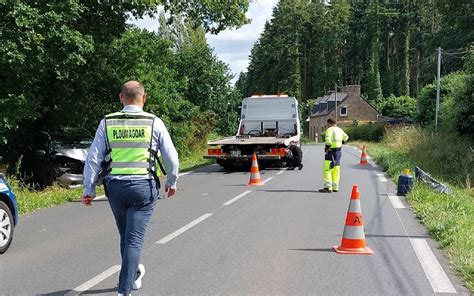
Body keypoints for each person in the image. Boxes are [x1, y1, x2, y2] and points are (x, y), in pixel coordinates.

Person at [82, 80, 179, 296]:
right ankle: (123, 291)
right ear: (144, 98)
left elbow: (93, 158)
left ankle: (134, 275)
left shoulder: (107, 122)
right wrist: (172, 182)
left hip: (115, 188)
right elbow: (172, 157)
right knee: (133, 240)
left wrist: (88, 189)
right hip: (143, 187)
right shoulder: (154, 122)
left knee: (126, 236)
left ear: (121, 98)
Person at [318, 118, 348, 193]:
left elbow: (328, 140)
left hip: (331, 151)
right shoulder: (340, 130)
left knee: (327, 169)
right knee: (336, 169)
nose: (327, 126)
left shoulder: (330, 130)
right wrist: (342, 141)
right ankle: (335, 187)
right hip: (338, 152)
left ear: (329, 123)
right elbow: (346, 137)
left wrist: (327, 147)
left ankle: (328, 187)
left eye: (327, 124)